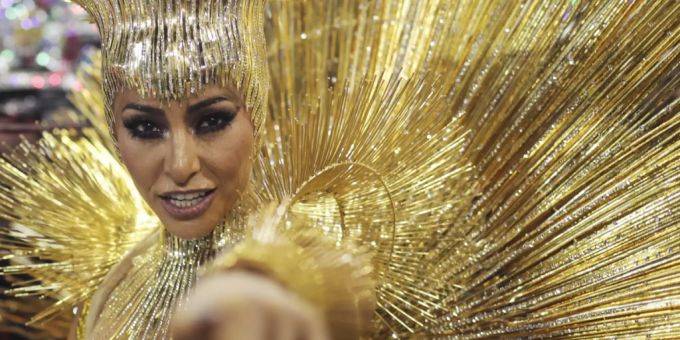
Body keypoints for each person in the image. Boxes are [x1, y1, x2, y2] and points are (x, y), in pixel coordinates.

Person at [1, 1, 678, 339]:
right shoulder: (116, 274)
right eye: (145, 127)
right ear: (113, 129)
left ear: (257, 114)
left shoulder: (305, 234)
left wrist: (255, 299)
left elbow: (292, 268)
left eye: (211, 120)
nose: (180, 165)